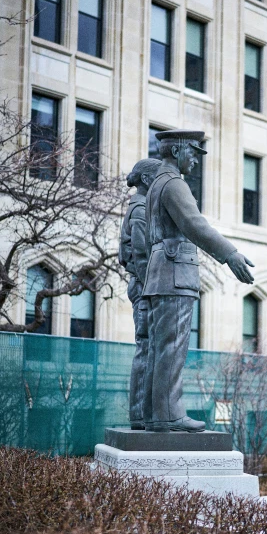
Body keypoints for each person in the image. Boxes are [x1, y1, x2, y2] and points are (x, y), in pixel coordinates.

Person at [142, 130, 254, 432]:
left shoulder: (156, 183)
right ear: (177, 151)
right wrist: (230, 254)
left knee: (160, 347)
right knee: (172, 347)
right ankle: (169, 414)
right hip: (175, 274)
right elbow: (194, 224)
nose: (196, 159)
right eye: (193, 151)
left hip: (161, 273)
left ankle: (154, 412)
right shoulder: (174, 184)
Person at [119, 158, 162, 429]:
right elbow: (141, 255)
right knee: (146, 349)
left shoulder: (143, 207)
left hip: (144, 286)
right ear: (147, 180)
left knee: (150, 349)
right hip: (145, 288)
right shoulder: (140, 209)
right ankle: (139, 415)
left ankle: (146, 413)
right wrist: (152, 289)